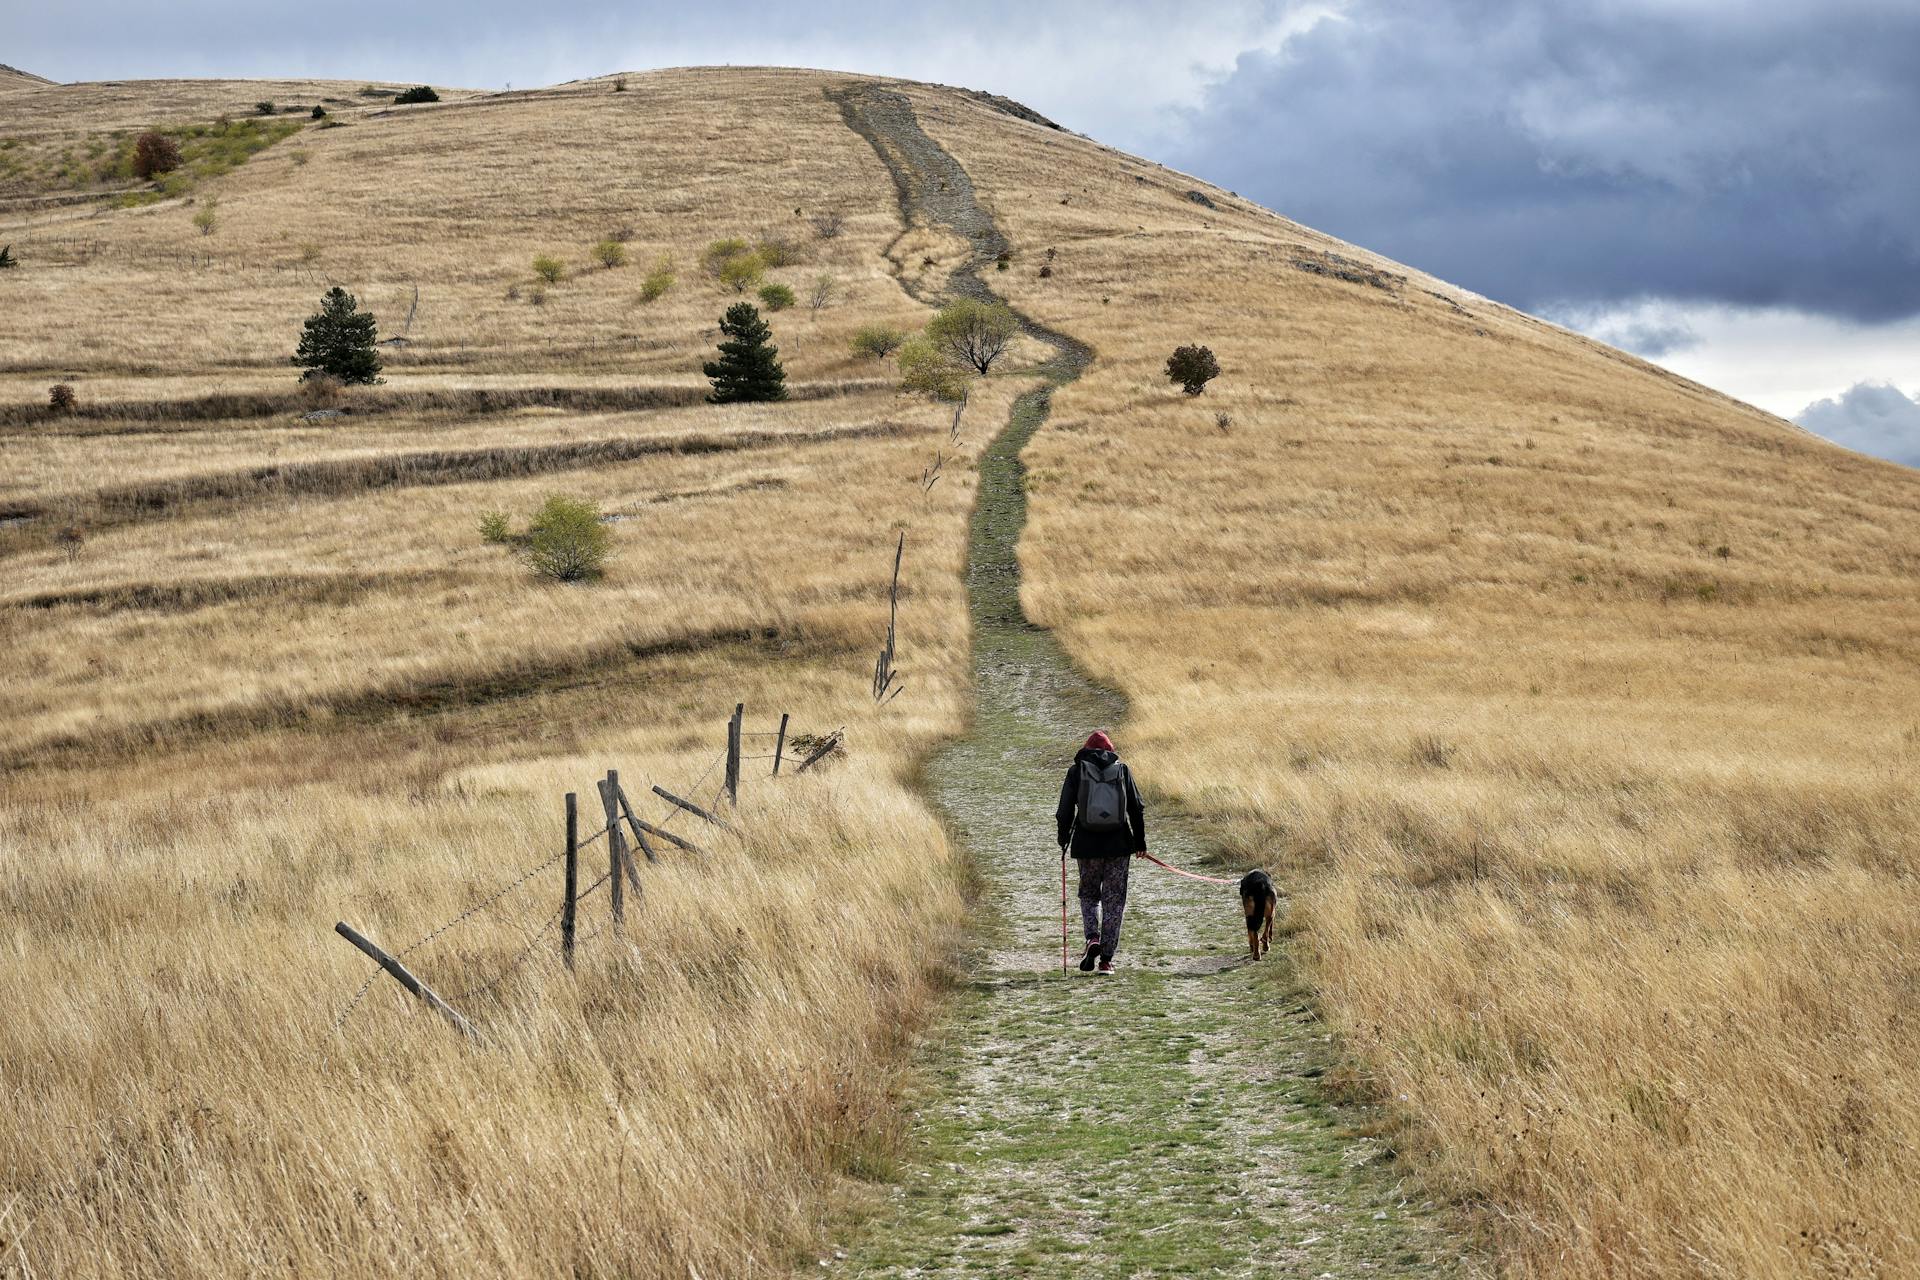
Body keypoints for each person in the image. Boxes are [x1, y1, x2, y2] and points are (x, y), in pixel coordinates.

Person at [1056, 730, 1147, 974]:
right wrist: (1140, 843)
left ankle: (1092, 938)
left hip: (1086, 846)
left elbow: (1064, 811)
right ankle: (1106, 959)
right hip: (1119, 846)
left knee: (1088, 895)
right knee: (1114, 901)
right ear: (1110, 750)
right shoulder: (1122, 770)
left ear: (1086, 749)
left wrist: (1063, 839)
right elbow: (1136, 808)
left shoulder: (1076, 772)